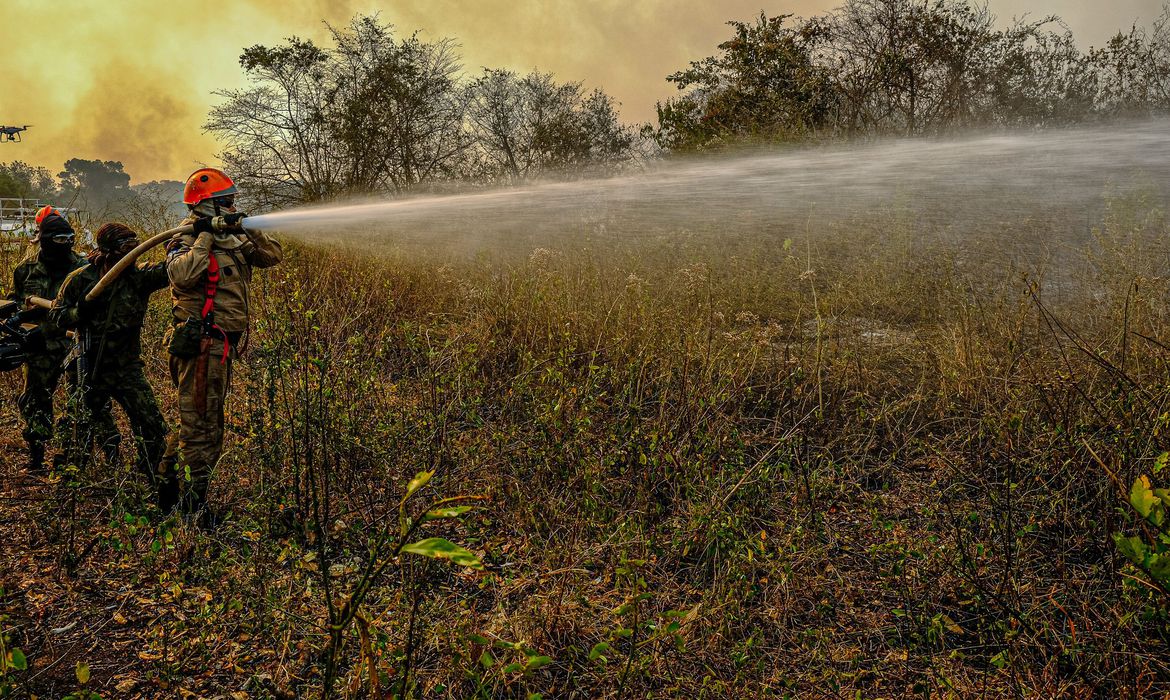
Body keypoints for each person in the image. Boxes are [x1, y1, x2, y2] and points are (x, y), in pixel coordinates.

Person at [160, 168, 282, 524]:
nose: (232, 206)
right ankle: (192, 507)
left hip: (222, 346)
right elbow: (181, 275)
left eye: (232, 201)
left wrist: (248, 227)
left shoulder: (234, 238)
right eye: (226, 201)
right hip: (202, 346)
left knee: (195, 421)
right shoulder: (184, 240)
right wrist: (204, 237)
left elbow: (271, 256)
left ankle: (166, 488)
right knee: (204, 428)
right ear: (206, 206)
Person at [50, 223, 169, 503]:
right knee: (78, 426)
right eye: (123, 249)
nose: (131, 255)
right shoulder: (81, 279)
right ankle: (69, 485)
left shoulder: (138, 277)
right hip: (89, 365)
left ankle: (156, 478)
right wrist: (81, 309)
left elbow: (170, 271)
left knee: (150, 421)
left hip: (126, 366)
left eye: (133, 247)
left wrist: (191, 236)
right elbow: (57, 317)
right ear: (106, 251)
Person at [9, 206, 118, 471]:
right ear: (44, 240)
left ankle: (103, 460)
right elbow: (16, 304)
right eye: (58, 239)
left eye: (69, 239)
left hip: (76, 346)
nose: (65, 244)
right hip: (39, 348)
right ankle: (36, 459)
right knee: (35, 401)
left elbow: (95, 310)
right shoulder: (26, 270)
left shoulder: (84, 269)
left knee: (86, 403)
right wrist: (21, 327)